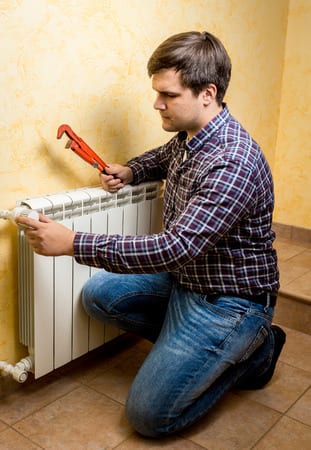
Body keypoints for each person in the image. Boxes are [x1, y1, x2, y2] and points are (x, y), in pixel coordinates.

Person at [18, 31, 286, 438]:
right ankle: (200, 349)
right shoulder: (190, 136)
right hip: (187, 280)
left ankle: (255, 354)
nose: (156, 103)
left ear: (207, 93)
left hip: (228, 302)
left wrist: (74, 243)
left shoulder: (233, 162)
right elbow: (163, 157)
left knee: (149, 417)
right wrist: (130, 170)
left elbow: (175, 248)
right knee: (98, 297)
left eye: (168, 94)